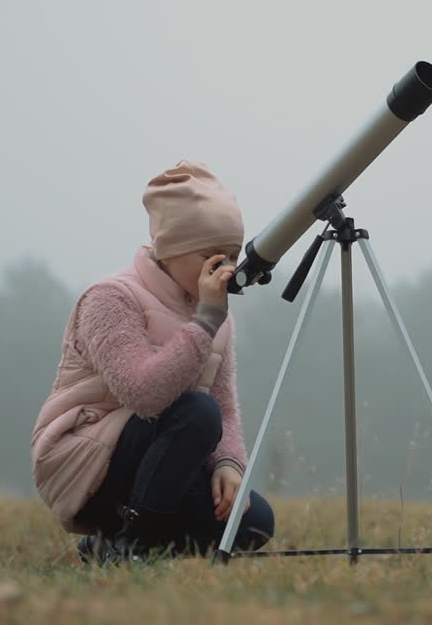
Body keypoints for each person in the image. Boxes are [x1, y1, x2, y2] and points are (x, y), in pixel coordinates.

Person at [31, 160, 274, 564]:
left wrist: (230, 464)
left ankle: (112, 543)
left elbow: (225, 407)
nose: (227, 270)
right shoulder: (109, 298)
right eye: (213, 257)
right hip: (84, 464)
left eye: (232, 256)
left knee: (252, 523)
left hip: (163, 460)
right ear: (172, 249)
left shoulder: (215, 312)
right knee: (197, 412)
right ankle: (133, 544)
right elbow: (145, 395)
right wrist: (205, 321)